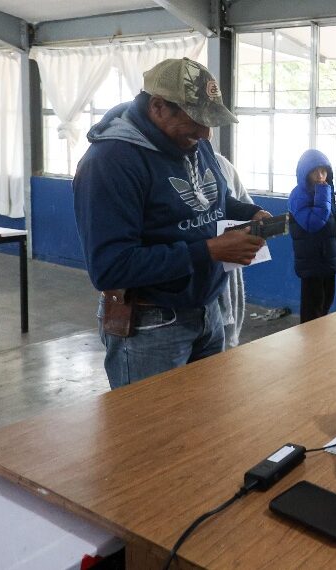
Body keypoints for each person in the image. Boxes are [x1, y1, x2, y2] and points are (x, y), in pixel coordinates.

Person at [74, 57, 270, 389]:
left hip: (208, 312)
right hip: (151, 325)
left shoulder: (192, 142)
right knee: (153, 423)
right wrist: (209, 251)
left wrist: (249, 213)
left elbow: (214, 200)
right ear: (158, 107)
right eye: (196, 121)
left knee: (206, 418)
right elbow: (110, 268)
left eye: (210, 122)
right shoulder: (110, 163)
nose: (206, 133)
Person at [288, 149, 336, 323]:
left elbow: (328, 221)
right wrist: (324, 192)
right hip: (312, 261)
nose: (320, 176)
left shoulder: (324, 192)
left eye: (323, 171)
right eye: (315, 172)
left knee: (326, 303)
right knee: (312, 311)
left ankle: (320, 340)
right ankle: (310, 340)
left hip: (327, 258)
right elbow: (314, 223)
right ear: (305, 174)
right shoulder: (299, 195)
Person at [215, 153, 255, 348]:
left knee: (227, 342)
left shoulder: (219, 163)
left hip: (227, 269)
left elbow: (240, 203)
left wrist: (252, 213)